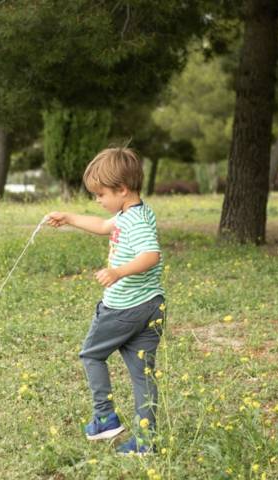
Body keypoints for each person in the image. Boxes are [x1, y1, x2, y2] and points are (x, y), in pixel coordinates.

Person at [46, 147, 165, 455]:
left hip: (124, 308)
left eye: (100, 194)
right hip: (151, 305)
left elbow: (151, 255)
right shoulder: (134, 213)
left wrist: (118, 271)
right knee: (143, 375)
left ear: (122, 189)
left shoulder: (134, 222)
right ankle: (146, 441)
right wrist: (69, 217)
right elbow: (101, 226)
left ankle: (104, 417)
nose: (98, 200)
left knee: (91, 356)